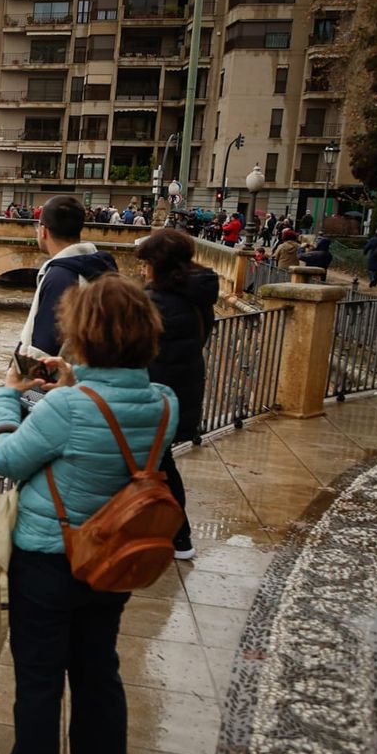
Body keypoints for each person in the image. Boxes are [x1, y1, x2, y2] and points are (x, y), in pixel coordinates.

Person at [0, 275, 180, 754]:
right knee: (97, 671)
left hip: (49, 559)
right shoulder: (165, 402)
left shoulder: (66, 407)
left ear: (82, 337)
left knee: (39, 682)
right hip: (115, 557)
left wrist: (6, 394)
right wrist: (75, 382)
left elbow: (6, 459)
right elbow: (111, 436)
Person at [137, 229, 218, 558]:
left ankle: (178, 537)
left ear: (157, 264)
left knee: (157, 468)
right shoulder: (196, 297)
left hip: (155, 401)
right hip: (181, 395)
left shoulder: (157, 303)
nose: (142, 271)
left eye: (145, 264)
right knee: (161, 465)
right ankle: (172, 535)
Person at [17, 194, 119, 358]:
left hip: (63, 380)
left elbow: (42, 351)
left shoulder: (60, 277)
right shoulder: (101, 268)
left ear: (43, 231)